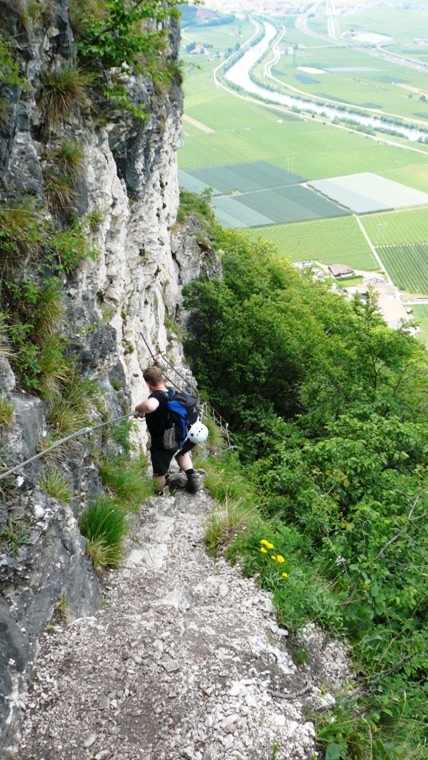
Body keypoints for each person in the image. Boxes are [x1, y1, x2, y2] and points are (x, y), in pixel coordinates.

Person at [134, 366, 200, 494]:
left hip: (163, 442)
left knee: (159, 472)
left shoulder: (157, 396)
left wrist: (138, 407)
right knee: (182, 453)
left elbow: (150, 405)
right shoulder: (172, 393)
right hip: (180, 435)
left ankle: (157, 495)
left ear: (148, 384)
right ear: (162, 378)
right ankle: (192, 479)